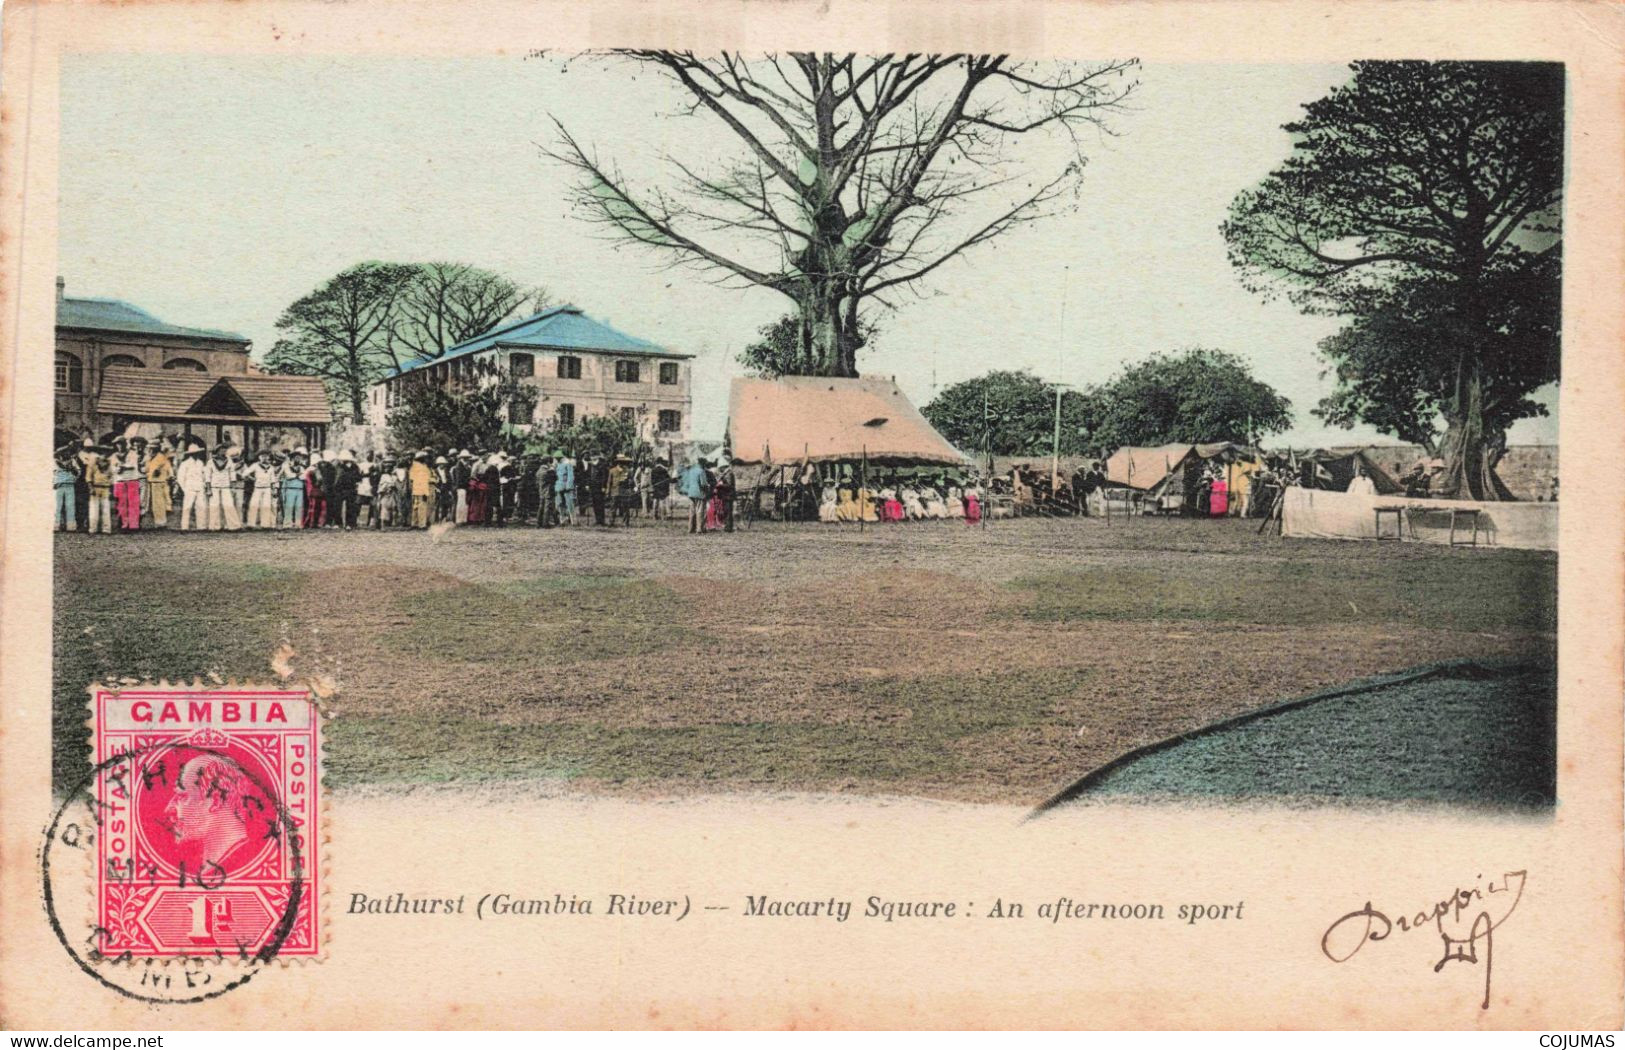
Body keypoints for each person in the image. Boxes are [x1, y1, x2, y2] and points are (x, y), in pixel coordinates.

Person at [206, 447, 242, 531]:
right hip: (214, 486)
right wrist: (208, 489)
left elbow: (232, 474)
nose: (223, 452)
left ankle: (234, 526)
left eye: (224, 450)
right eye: (221, 450)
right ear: (217, 451)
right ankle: (214, 526)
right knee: (214, 506)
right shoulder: (210, 462)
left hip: (226, 486)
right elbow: (207, 476)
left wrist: (233, 487)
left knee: (229, 505)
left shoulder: (229, 461)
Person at [112, 436, 143, 532]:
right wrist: (118, 469)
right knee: (122, 503)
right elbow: (112, 468)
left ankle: (134, 525)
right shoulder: (114, 456)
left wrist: (122, 467)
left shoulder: (132, 453)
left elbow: (133, 465)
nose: (119, 446)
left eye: (121, 443)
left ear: (125, 444)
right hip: (120, 480)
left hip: (132, 479)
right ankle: (124, 524)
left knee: (133, 503)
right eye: (118, 444)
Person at [176, 444, 209, 531]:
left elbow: (204, 475)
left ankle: (201, 526)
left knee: (201, 506)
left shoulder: (200, 463)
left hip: (200, 487)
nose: (196, 454)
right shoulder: (185, 463)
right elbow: (180, 477)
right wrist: (184, 488)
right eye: (194, 453)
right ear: (190, 454)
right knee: (187, 507)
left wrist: (204, 485)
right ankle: (184, 527)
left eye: (197, 453)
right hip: (189, 487)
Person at [246, 449, 279, 529]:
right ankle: (251, 524)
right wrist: (251, 478)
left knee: (266, 506)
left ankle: (265, 524)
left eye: (266, 456)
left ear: (268, 457)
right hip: (257, 488)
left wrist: (274, 489)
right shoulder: (255, 465)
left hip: (267, 488)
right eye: (262, 456)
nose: (264, 458)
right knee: (254, 505)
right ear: (259, 457)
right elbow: (246, 473)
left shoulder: (271, 467)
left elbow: (273, 480)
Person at [145, 440, 174, 528]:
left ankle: (160, 522)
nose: (150, 450)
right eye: (149, 448)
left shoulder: (161, 458)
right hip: (152, 482)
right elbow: (147, 470)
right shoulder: (150, 458)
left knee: (159, 503)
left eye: (152, 448)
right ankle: (158, 521)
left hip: (159, 482)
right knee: (155, 504)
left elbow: (167, 469)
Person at [678, 456, 709, 534]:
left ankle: (690, 528)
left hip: (691, 493)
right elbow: (703, 484)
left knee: (692, 511)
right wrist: (707, 489)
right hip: (699, 493)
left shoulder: (691, 471)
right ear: (703, 464)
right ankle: (699, 529)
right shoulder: (701, 471)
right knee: (700, 511)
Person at [279, 449, 307, 529]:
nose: (298, 459)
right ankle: (287, 524)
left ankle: (298, 524)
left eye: (299, 457)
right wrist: (298, 475)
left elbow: (304, 477)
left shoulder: (301, 467)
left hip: (300, 489)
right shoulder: (286, 466)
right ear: (292, 458)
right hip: (290, 488)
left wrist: (297, 475)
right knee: (289, 506)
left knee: (299, 507)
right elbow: (289, 475)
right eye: (296, 457)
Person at [54, 447, 79, 532]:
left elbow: (78, 471)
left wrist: (73, 478)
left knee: (70, 505)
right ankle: (57, 525)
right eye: (63, 452)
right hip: (60, 485)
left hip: (68, 485)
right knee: (58, 506)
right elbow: (53, 473)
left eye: (66, 452)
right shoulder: (55, 462)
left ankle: (70, 526)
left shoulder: (72, 461)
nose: (65, 454)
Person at [409, 451, 433, 528]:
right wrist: (425, 492)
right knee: (422, 507)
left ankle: (415, 523)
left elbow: (411, 479)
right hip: (422, 490)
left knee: (416, 507)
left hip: (416, 490)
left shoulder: (414, 467)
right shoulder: (423, 468)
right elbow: (424, 480)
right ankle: (422, 524)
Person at [586, 454, 610, 527]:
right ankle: (597, 520)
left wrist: (603, 486)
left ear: (597, 456)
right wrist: (587, 484)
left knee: (600, 503)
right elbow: (588, 475)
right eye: (591, 455)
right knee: (594, 503)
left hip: (599, 487)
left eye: (594, 455)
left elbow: (604, 476)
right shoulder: (590, 465)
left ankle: (601, 521)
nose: (592, 457)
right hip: (592, 486)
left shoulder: (602, 465)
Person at [609, 454, 632, 527]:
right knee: (613, 508)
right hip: (614, 491)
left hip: (624, 491)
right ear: (617, 462)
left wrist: (629, 484)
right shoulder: (612, 470)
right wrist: (607, 491)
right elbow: (609, 482)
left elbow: (631, 481)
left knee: (626, 508)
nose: (621, 463)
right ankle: (611, 522)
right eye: (620, 462)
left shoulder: (628, 471)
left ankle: (626, 523)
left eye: (623, 462)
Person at [553, 451, 576, 525]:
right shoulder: (557, 465)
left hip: (566, 487)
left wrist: (569, 486)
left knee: (570, 504)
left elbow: (570, 476)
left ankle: (573, 521)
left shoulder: (568, 463)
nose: (557, 459)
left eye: (558, 458)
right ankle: (562, 520)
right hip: (559, 487)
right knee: (560, 504)